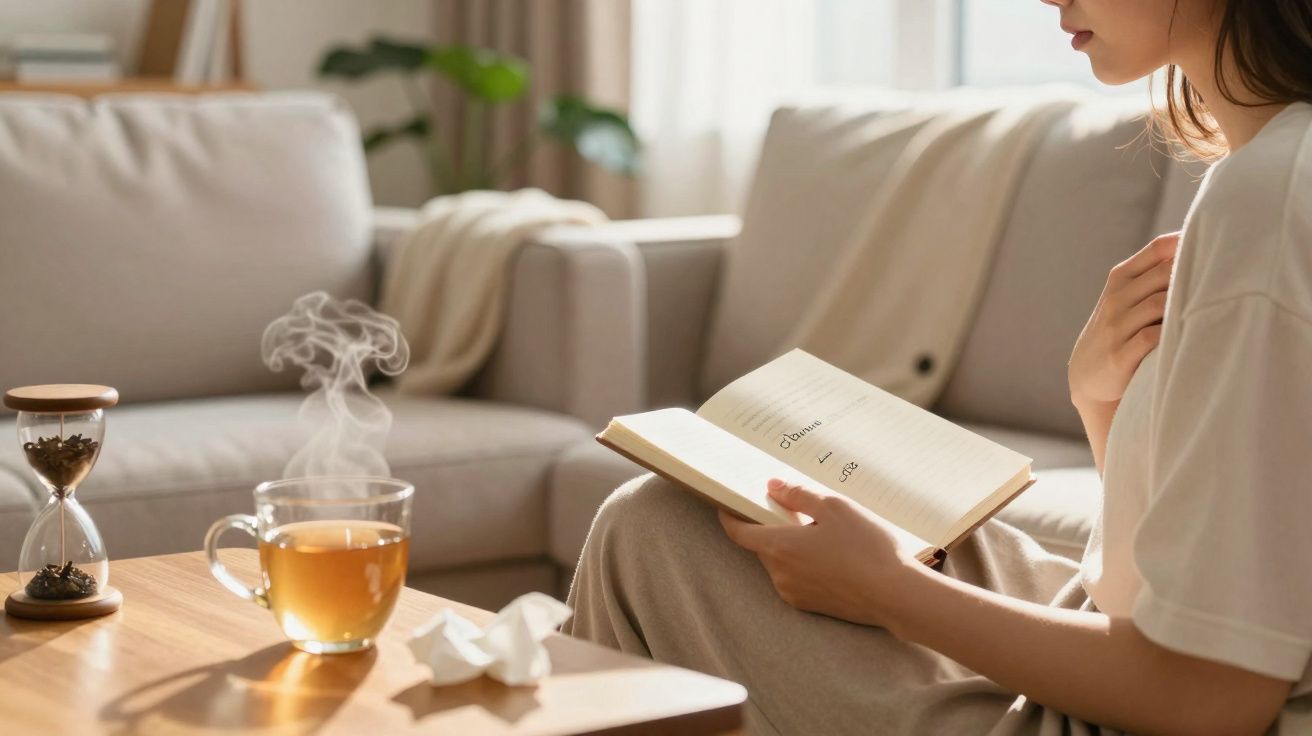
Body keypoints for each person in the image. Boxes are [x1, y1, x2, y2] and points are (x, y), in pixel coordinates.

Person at [563, 1, 1312, 734]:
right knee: (696, 516)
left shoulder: (1270, 199)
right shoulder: (1266, 169)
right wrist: (1099, 401)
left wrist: (890, 589)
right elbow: (1219, 560)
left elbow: (1213, 696)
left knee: (655, 531)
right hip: (1131, 629)